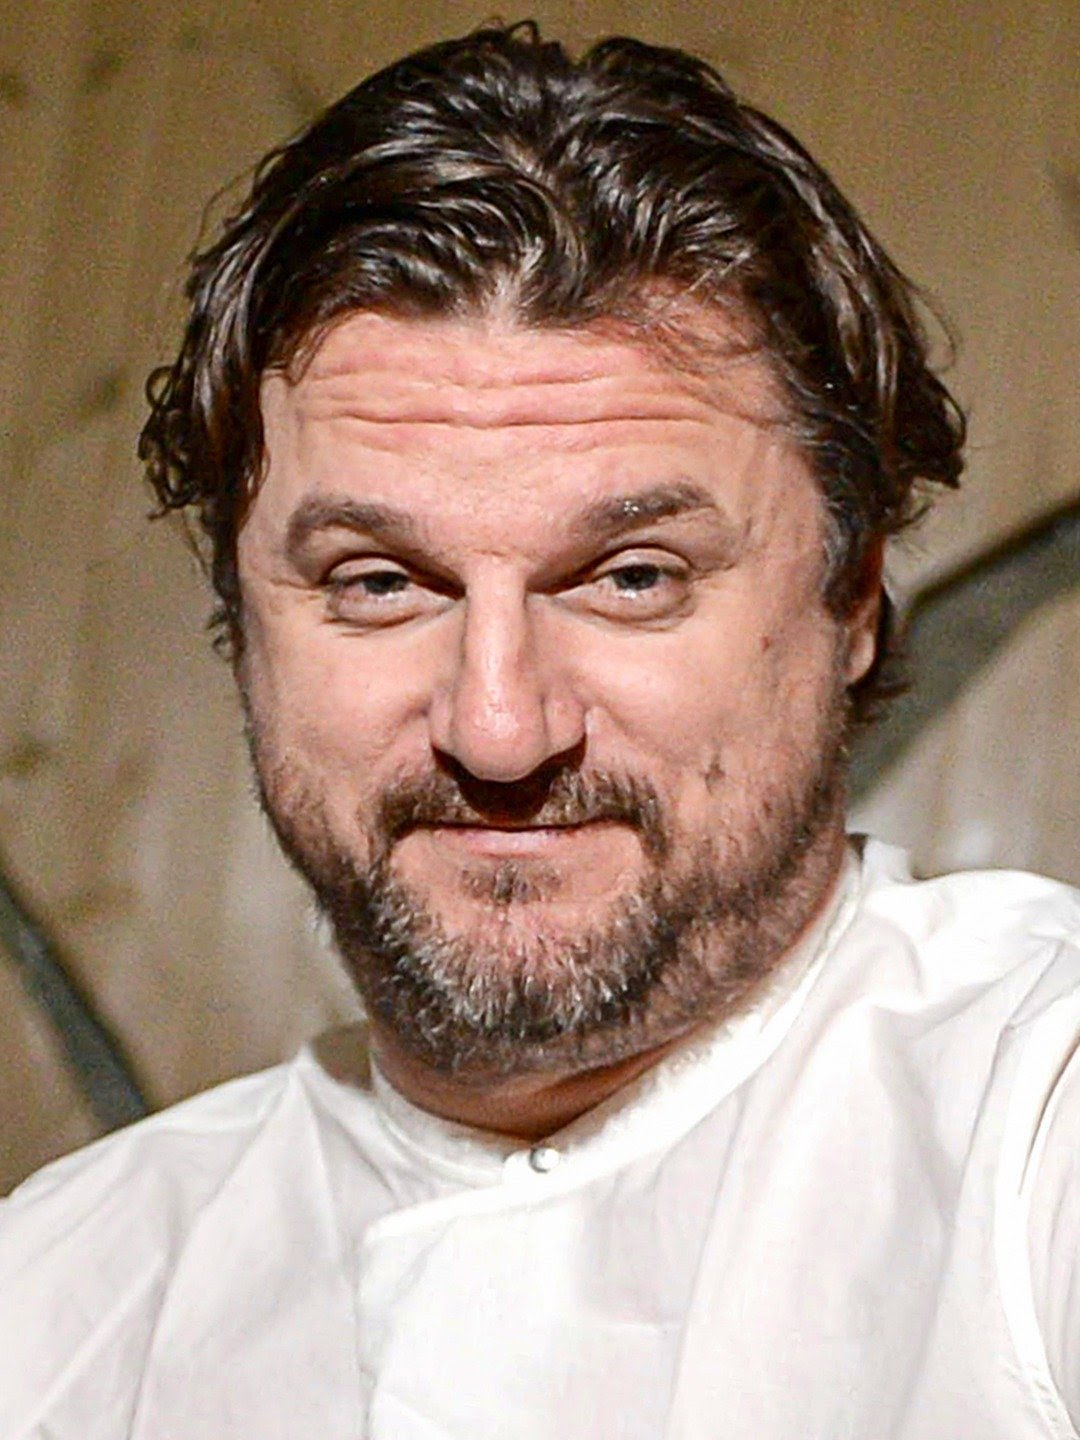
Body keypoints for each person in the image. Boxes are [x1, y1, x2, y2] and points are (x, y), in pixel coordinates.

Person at [1, 22, 1077, 1439]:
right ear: (242, 626)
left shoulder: (1035, 1119)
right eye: (378, 584)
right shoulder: (54, 1299)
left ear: (854, 601)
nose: (500, 729)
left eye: (631, 578)